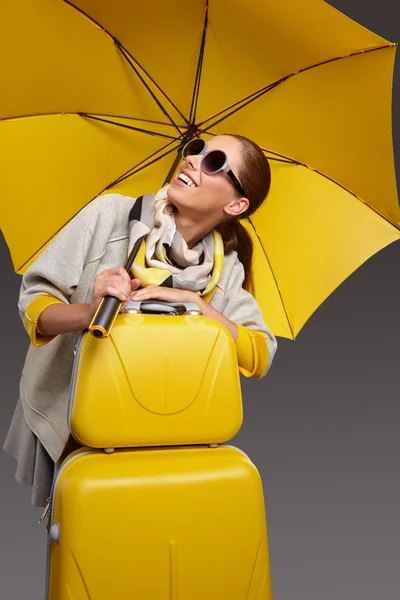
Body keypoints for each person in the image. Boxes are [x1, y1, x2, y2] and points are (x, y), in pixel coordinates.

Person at [3, 134, 278, 508]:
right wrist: (90, 310)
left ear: (236, 204)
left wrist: (196, 303)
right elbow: (35, 308)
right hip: (74, 420)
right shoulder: (109, 215)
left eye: (214, 162)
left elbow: (258, 354)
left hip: (157, 433)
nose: (194, 160)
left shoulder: (224, 271)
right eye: (196, 149)